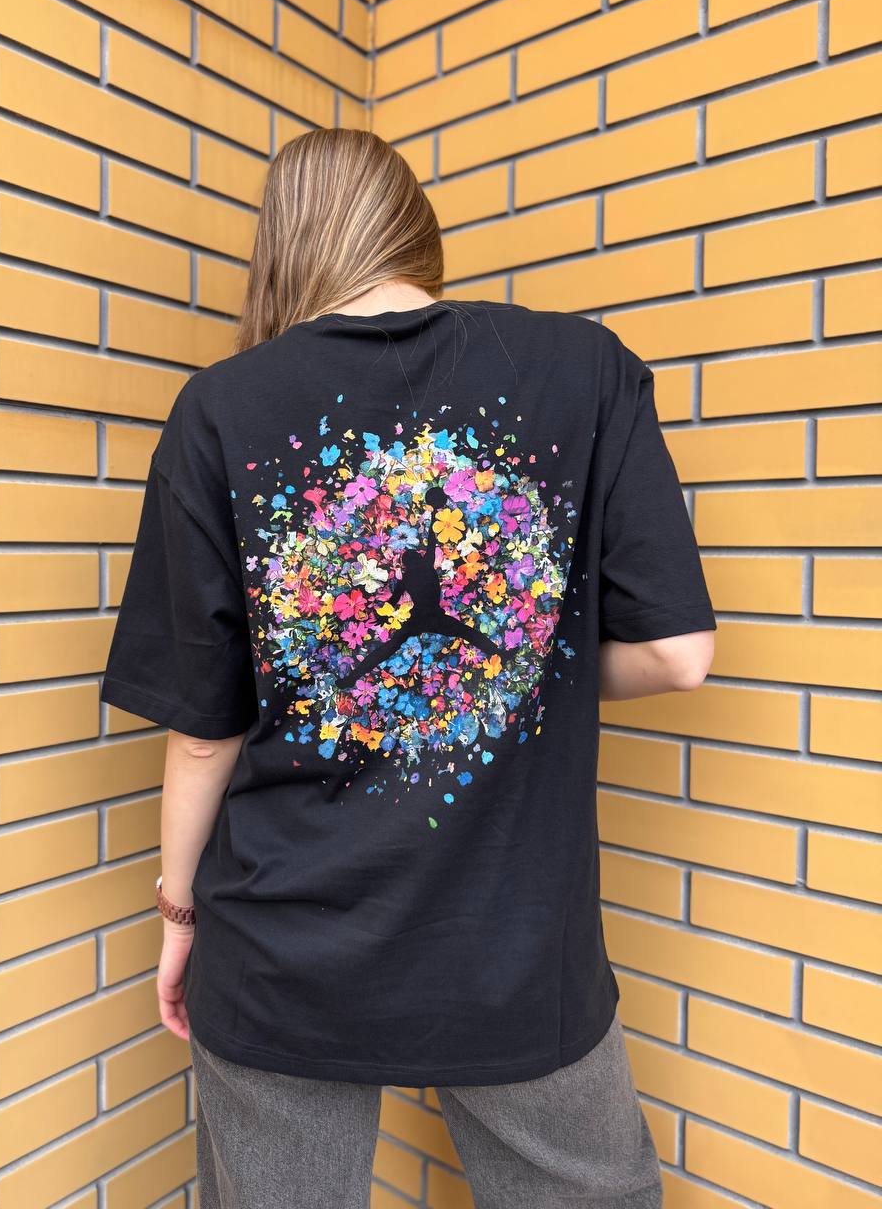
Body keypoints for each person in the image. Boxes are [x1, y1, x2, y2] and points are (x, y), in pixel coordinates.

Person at [100, 127, 716, 1209]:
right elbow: (678, 653)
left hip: (282, 943)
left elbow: (205, 726)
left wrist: (179, 914)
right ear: (413, 231)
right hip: (517, 945)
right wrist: (532, 660)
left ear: (286, 244)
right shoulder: (584, 369)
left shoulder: (222, 408)